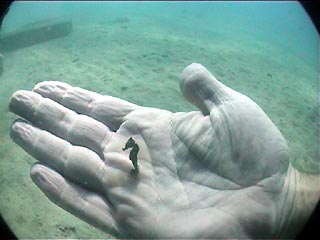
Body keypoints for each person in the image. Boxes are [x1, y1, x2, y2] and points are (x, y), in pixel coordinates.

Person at [9, 63, 319, 238]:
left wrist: (283, 198)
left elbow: (132, 157)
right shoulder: (133, 155)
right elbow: (132, 158)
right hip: (134, 161)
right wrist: (284, 199)